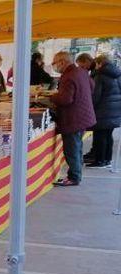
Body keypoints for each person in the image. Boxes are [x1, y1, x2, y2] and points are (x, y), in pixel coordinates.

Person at [50, 51, 97, 186]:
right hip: (82, 115)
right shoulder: (81, 72)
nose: (54, 66)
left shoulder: (68, 76)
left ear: (62, 62)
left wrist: (52, 97)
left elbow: (65, 99)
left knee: (71, 149)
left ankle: (74, 177)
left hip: (73, 117)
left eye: (54, 63)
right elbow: (92, 86)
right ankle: (77, 174)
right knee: (77, 146)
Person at [90, 54, 121, 169]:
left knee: (100, 136)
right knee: (108, 135)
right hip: (115, 110)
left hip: (102, 110)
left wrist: (91, 106)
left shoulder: (100, 75)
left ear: (99, 63)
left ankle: (100, 160)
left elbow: (96, 95)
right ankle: (108, 159)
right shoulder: (117, 74)